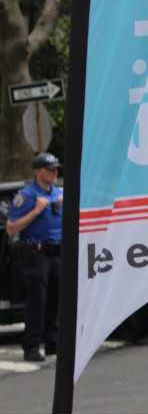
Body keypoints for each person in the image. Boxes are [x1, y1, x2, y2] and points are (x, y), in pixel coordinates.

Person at [6, 152, 64, 362]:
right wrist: (36, 211)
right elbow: (11, 227)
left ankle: (53, 342)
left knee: (56, 299)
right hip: (36, 253)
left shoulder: (58, 193)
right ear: (38, 172)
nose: (54, 173)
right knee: (37, 301)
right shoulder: (27, 196)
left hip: (56, 252)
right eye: (50, 170)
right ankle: (31, 345)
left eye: (56, 170)